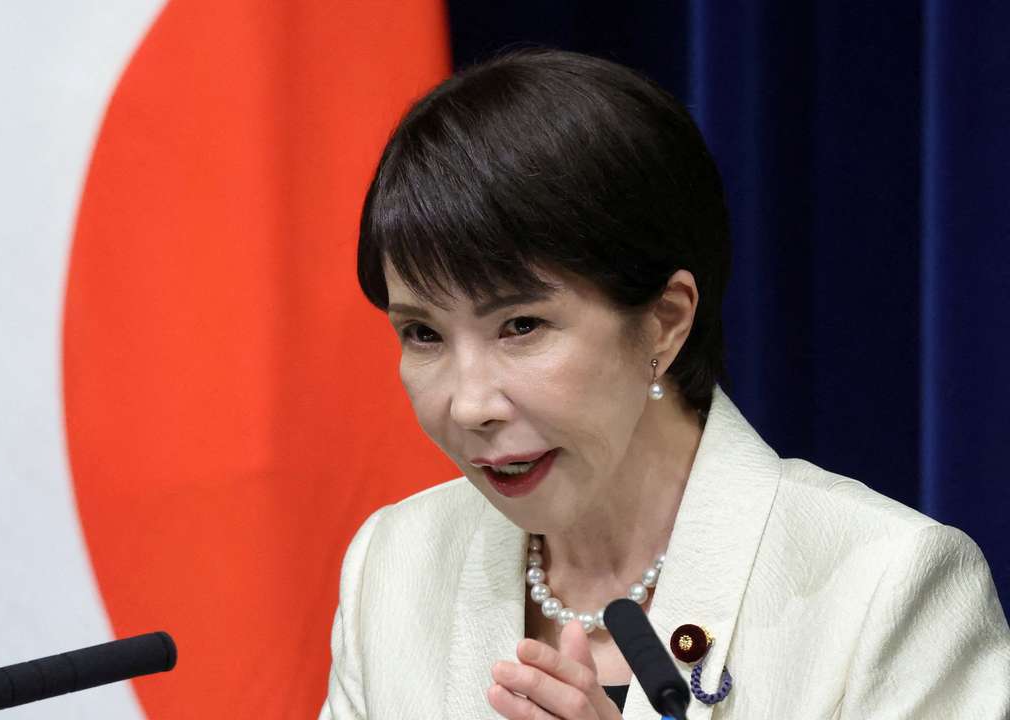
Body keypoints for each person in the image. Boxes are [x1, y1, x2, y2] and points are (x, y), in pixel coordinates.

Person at [319, 50, 1010, 720]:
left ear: (664, 323)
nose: (468, 405)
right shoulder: (396, 563)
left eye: (521, 325)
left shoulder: (886, 585)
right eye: (423, 334)